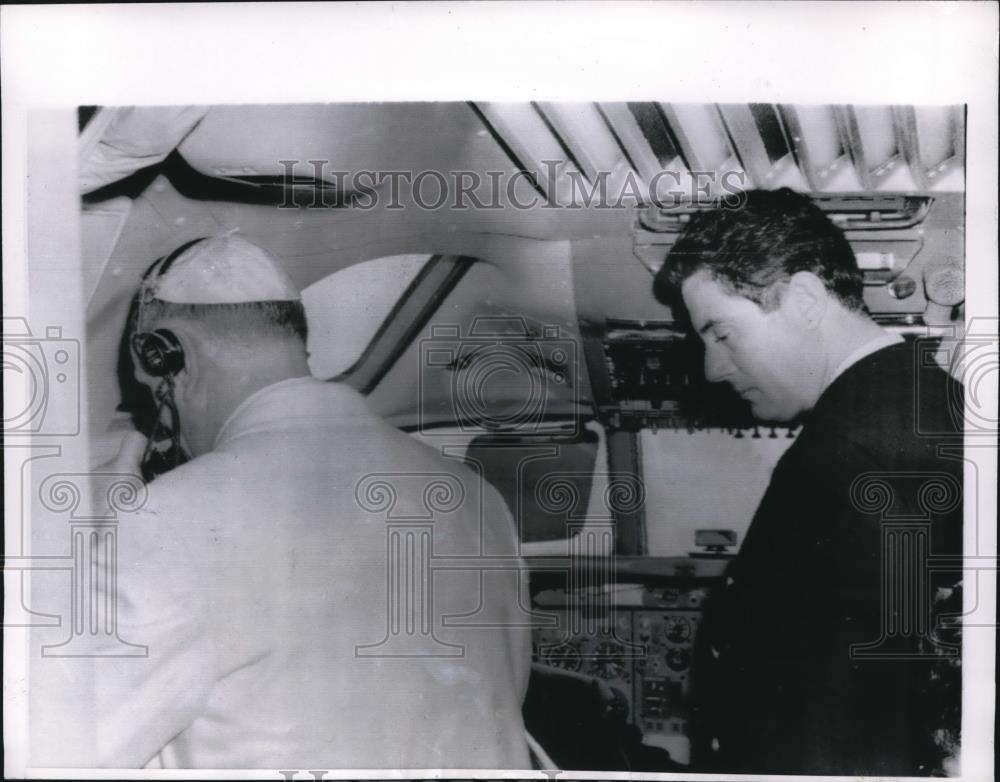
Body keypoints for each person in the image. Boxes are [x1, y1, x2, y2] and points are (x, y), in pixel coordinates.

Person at [54, 233, 533, 769]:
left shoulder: (161, 520)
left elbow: (61, 749)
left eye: (155, 396)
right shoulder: (476, 497)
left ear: (171, 356)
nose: (170, 435)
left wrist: (82, 549)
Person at [652, 188, 963, 775]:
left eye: (720, 332)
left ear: (806, 299)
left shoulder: (856, 452)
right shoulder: (914, 404)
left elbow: (845, 719)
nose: (712, 369)